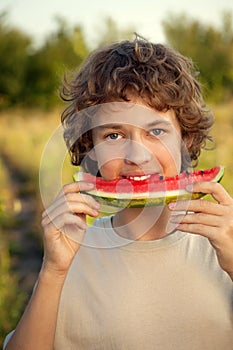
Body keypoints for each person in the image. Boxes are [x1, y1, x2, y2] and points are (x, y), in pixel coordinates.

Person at [4, 35, 233, 350]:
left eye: (156, 131)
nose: (137, 156)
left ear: (186, 141)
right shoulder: (72, 253)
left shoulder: (222, 243)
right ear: (92, 149)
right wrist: (52, 271)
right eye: (113, 134)